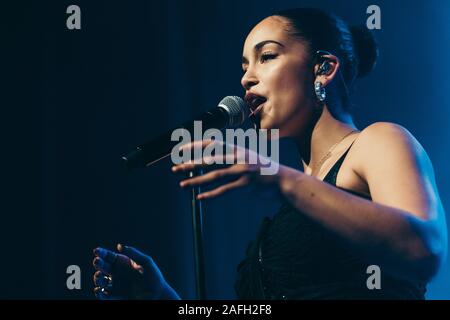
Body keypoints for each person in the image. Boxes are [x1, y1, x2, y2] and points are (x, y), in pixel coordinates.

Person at [92, 7, 447, 299]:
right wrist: (161, 297)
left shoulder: (377, 141)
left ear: (323, 69)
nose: (247, 78)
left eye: (266, 56)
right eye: (245, 65)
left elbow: (425, 251)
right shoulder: (292, 204)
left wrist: (281, 180)